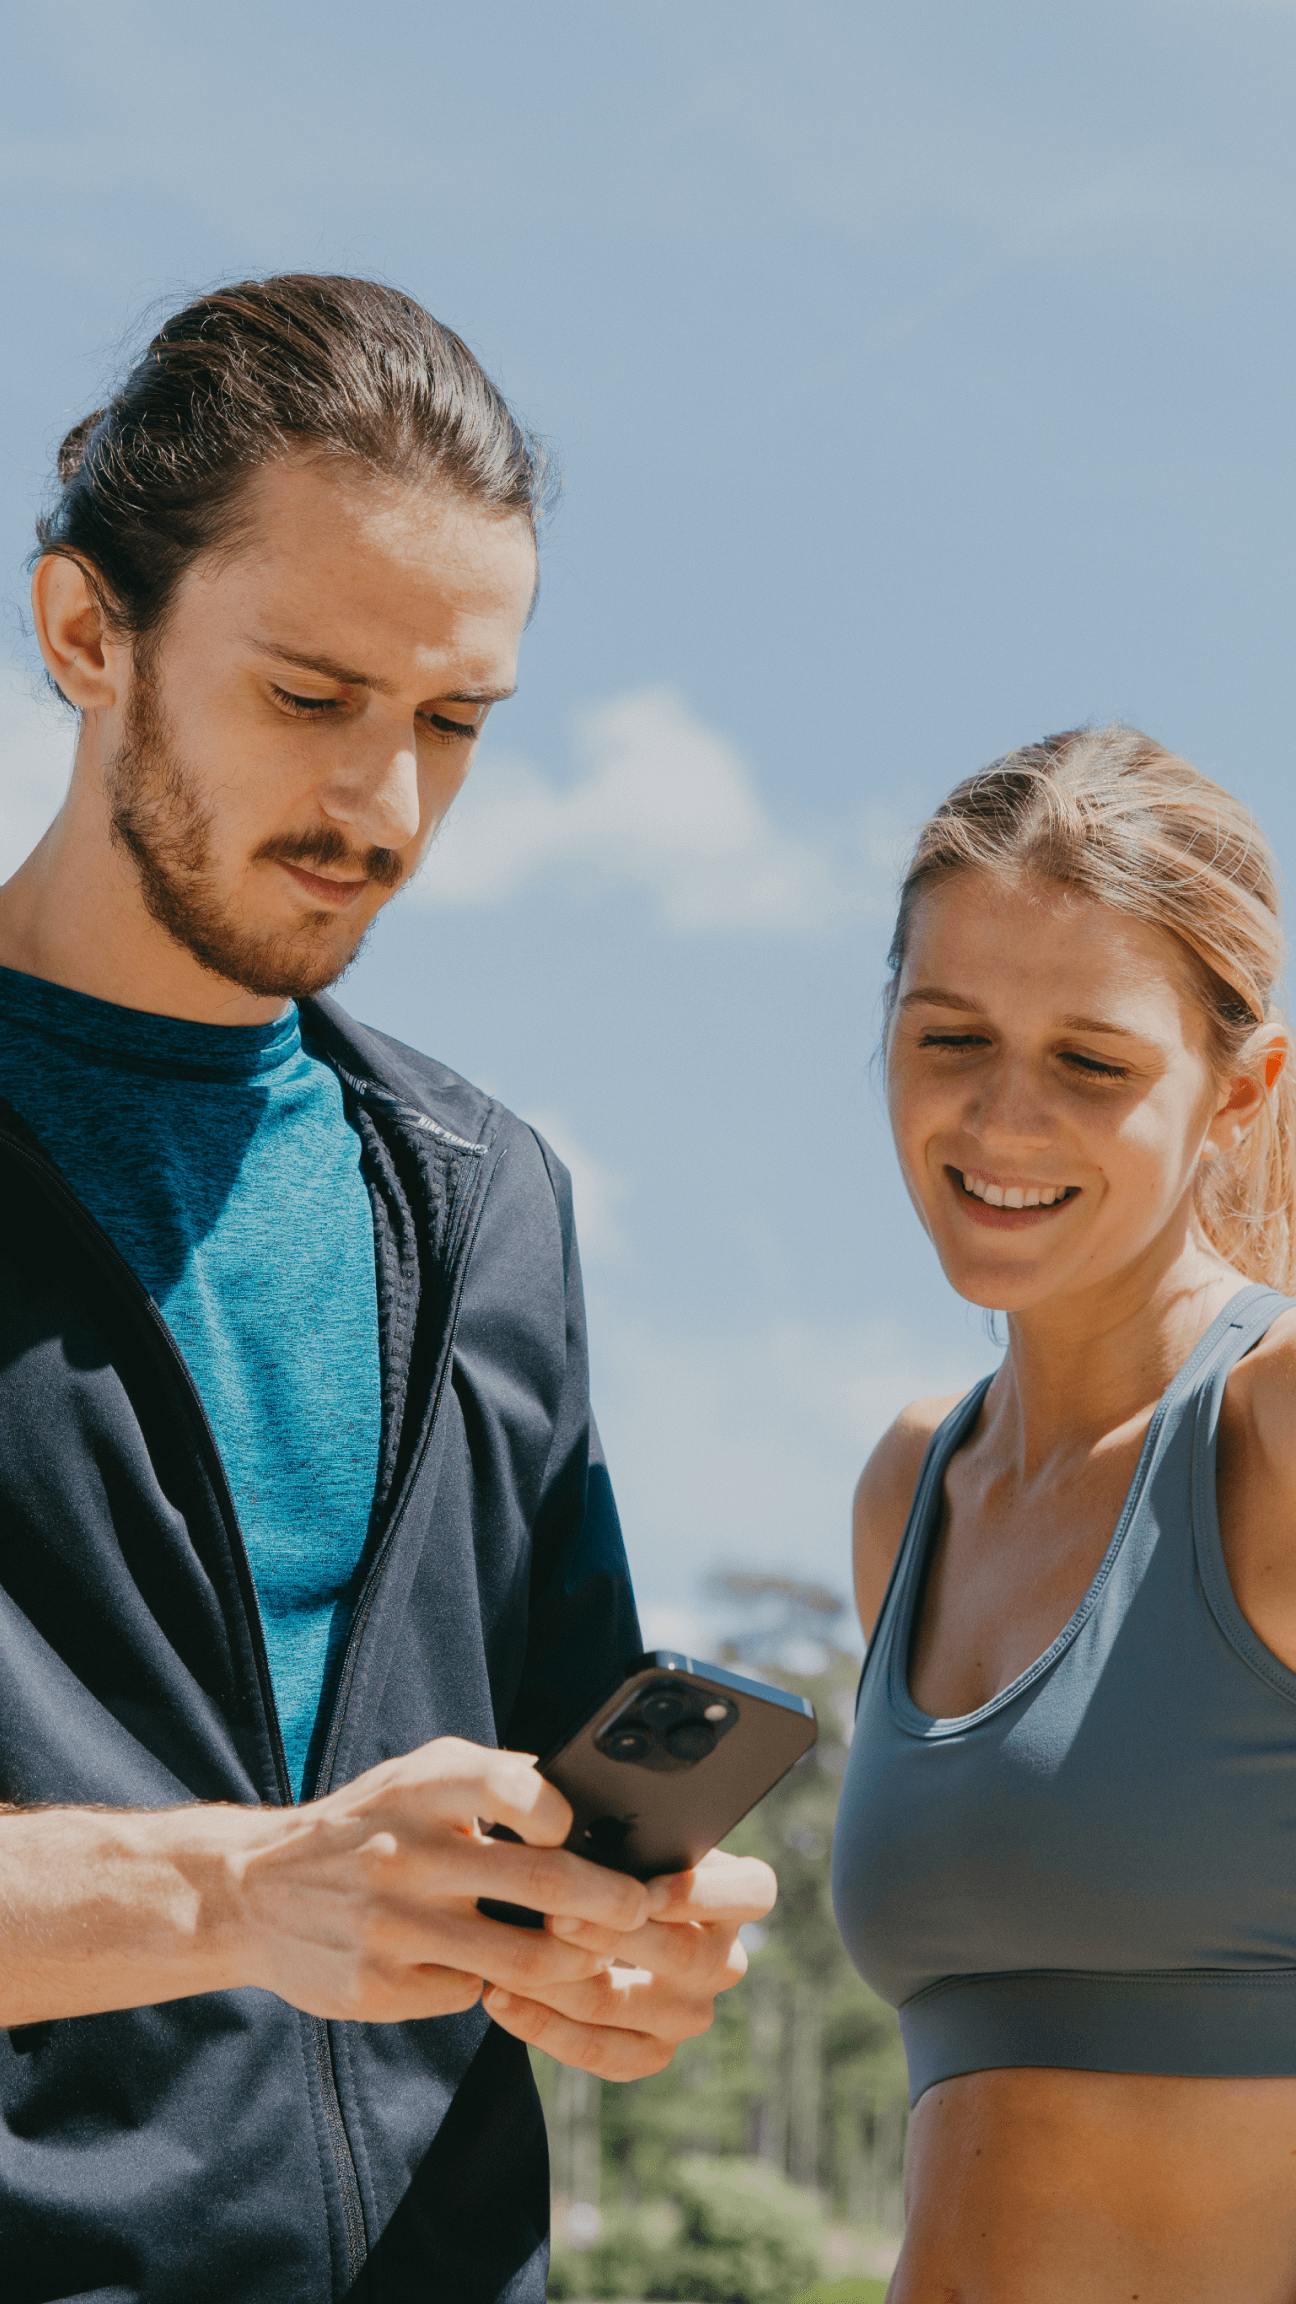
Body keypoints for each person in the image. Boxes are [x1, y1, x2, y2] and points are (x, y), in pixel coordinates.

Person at [0, 273, 775, 2304]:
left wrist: (620, 1948)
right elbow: (285, 1896)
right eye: (313, 698)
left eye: (452, 724)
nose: (388, 810)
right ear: (89, 632)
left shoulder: (487, 1196)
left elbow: (545, 1791)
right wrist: (242, 1895)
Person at [832, 725, 1296, 2304]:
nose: (1002, 1123)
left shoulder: (1278, 1426)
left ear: (1244, 1092)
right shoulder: (912, 1489)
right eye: (948, 1038)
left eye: (1093, 1064)